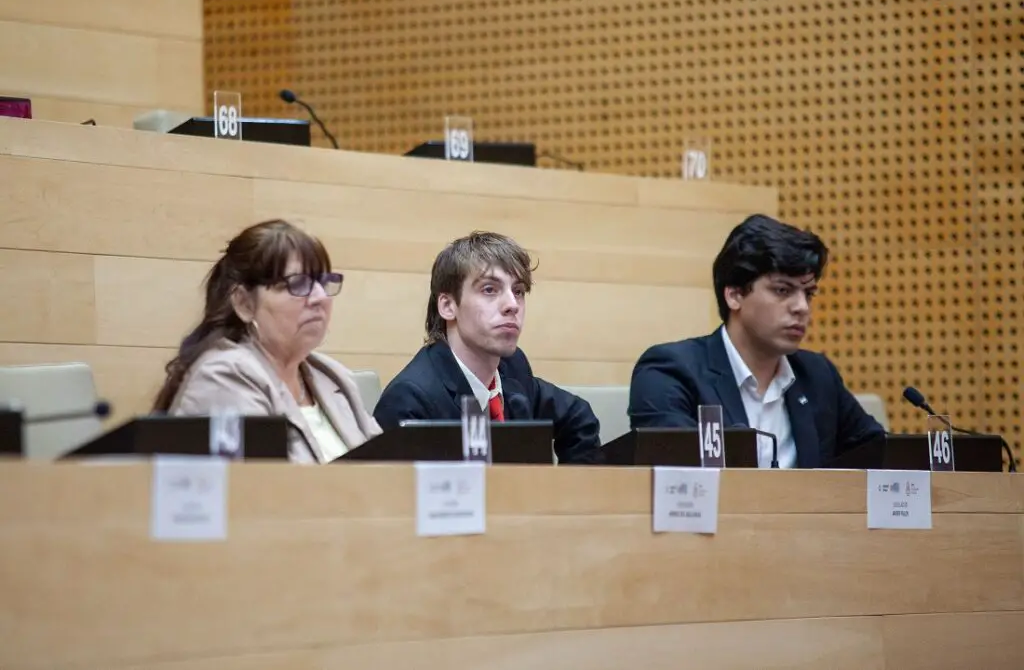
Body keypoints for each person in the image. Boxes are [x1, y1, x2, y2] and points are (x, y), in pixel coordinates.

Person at [628, 214, 884, 468]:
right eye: (782, 290)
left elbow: (880, 455)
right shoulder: (670, 372)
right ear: (734, 295)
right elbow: (678, 478)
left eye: (808, 294)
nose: (802, 307)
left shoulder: (817, 376)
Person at [153, 219, 382, 463]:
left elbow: (389, 467)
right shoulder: (224, 377)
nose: (320, 297)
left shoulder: (333, 376)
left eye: (323, 282)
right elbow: (261, 483)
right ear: (244, 303)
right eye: (298, 283)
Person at [373, 231, 602, 464]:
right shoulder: (409, 401)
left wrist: (567, 487)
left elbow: (579, 418)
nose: (512, 305)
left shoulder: (512, 367)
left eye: (518, 291)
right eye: (489, 289)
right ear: (448, 306)